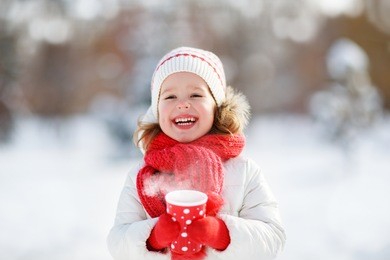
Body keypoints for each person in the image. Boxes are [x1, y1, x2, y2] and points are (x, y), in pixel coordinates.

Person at [107, 47, 286, 260]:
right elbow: (118, 244)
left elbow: (273, 239)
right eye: (170, 96)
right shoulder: (142, 176)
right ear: (157, 109)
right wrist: (154, 237)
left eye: (196, 94)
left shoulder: (245, 171)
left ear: (216, 107)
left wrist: (222, 234)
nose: (183, 103)